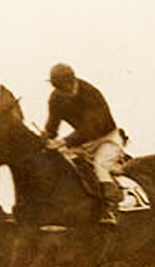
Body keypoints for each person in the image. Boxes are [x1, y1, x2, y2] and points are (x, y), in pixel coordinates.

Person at [43, 63, 124, 225]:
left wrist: (63, 142)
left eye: (64, 88)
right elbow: (52, 124)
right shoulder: (56, 98)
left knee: (100, 166)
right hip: (83, 143)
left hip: (107, 138)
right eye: (58, 88)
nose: (62, 92)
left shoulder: (90, 93)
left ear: (73, 81)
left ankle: (110, 208)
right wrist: (44, 138)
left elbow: (92, 127)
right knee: (63, 164)